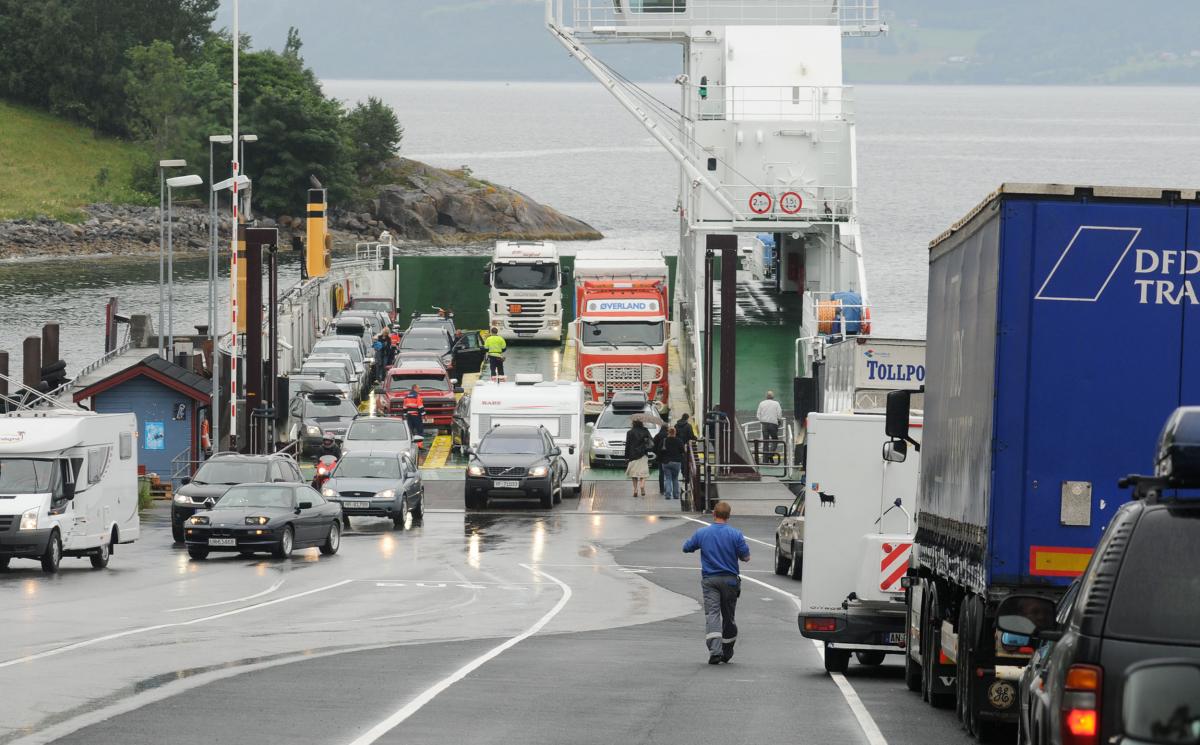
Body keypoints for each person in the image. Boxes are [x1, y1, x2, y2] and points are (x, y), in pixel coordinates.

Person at [682, 501, 750, 664]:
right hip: (730, 581)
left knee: (712, 614)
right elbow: (746, 557)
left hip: (710, 580)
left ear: (714, 514)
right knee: (729, 616)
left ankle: (715, 651)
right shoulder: (736, 534)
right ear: (728, 515)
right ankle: (727, 649)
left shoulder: (702, 532)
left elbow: (686, 547)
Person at [624, 418, 653, 497]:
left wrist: (626, 456)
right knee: (643, 472)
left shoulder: (629, 432)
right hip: (643, 454)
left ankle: (635, 489)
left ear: (633, 423)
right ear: (641, 423)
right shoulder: (645, 431)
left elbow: (628, 445)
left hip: (633, 455)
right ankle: (642, 485)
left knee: (634, 474)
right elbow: (651, 441)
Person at [756, 390, 784, 463]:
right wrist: (779, 420)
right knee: (775, 440)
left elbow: (758, 415)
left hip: (764, 424)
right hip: (773, 424)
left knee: (765, 442)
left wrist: (762, 421)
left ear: (766, 396)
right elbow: (779, 414)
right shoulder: (776, 403)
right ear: (773, 397)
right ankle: (770, 455)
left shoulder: (761, 403)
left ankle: (765, 461)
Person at [659, 426, 685, 500]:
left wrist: (661, 460)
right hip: (676, 462)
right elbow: (682, 451)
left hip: (666, 462)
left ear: (668, 432)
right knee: (675, 478)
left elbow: (659, 451)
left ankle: (667, 494)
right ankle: (676, 495)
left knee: (668, 478)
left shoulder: (664, 441)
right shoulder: (679, 441)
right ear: (675, 432)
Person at [652, 424, 668, 494]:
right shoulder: (669, 435)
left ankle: (661, 490)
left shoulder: (657, 436)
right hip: (668, 457)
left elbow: (653, 446)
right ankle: (668, 488)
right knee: (668, 474)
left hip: (660, 457)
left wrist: (657, 453)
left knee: (661, 473)